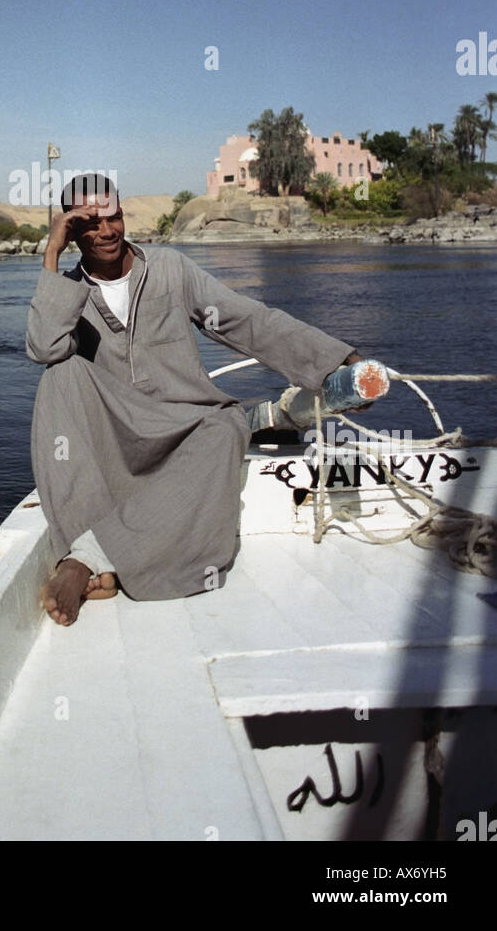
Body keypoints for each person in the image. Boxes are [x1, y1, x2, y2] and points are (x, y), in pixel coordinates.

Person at [26, 174, 369, 626]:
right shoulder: (69, 292)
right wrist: (50, 254)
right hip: (115, 433)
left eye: (114, 218)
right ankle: (88, 555)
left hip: (185, 427)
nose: (107, 232)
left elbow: (246, 320)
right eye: (89, 223)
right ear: (71, 231)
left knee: (225, 428)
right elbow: (44, 347)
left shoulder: (170, 269)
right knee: (60, 373)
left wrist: (333, 361)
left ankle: (85, 561)